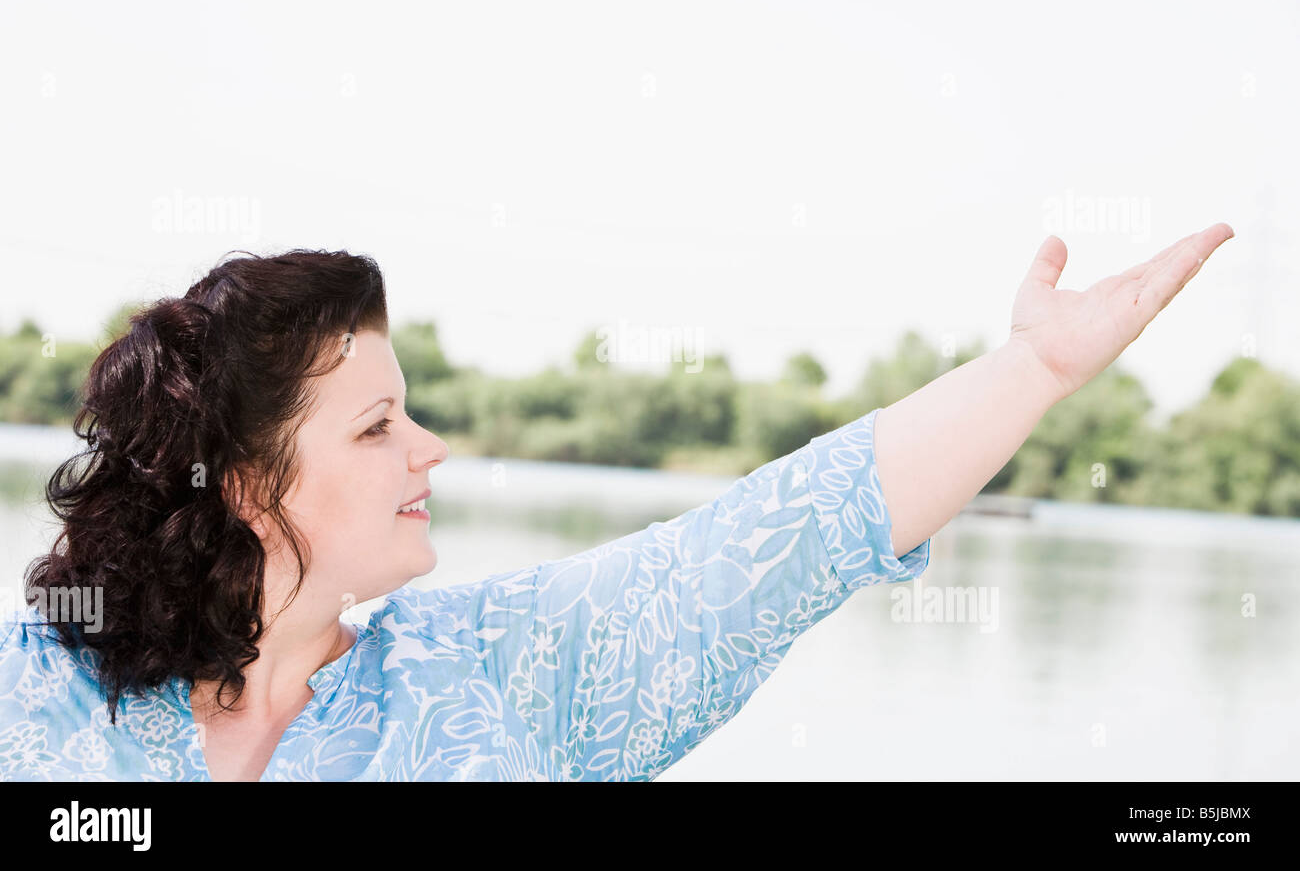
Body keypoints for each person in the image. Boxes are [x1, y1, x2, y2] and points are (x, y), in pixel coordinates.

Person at [0, 224, 1234, 781]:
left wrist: (1036, 371)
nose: (429, 448)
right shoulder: (39, 686)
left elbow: (778, 536)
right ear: (252, 478)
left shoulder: (495, 674)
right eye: (377, 424)